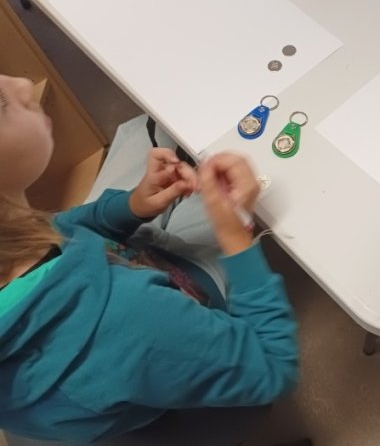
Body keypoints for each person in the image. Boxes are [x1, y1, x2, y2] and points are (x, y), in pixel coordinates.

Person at [0, 74, 299, 444]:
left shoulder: (12, 239)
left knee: (143, 130)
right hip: (197, 386)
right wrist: (236, 234)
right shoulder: (128, 320)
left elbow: (60, 229)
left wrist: (132, 206)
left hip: (129, 274)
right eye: (1, 101)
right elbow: (272, 368)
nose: (23, 84)